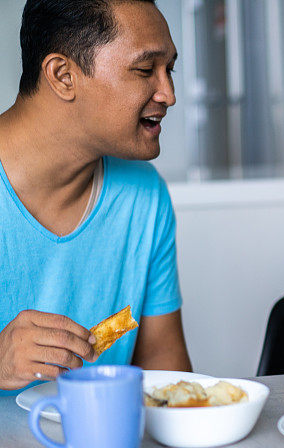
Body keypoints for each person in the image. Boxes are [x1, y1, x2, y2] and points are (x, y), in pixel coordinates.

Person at [0, 0, 191, 393]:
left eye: (168, 70)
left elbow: (164, 372)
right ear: (63, 75)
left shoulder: (144, 195)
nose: (168, 94)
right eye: (144, 70)